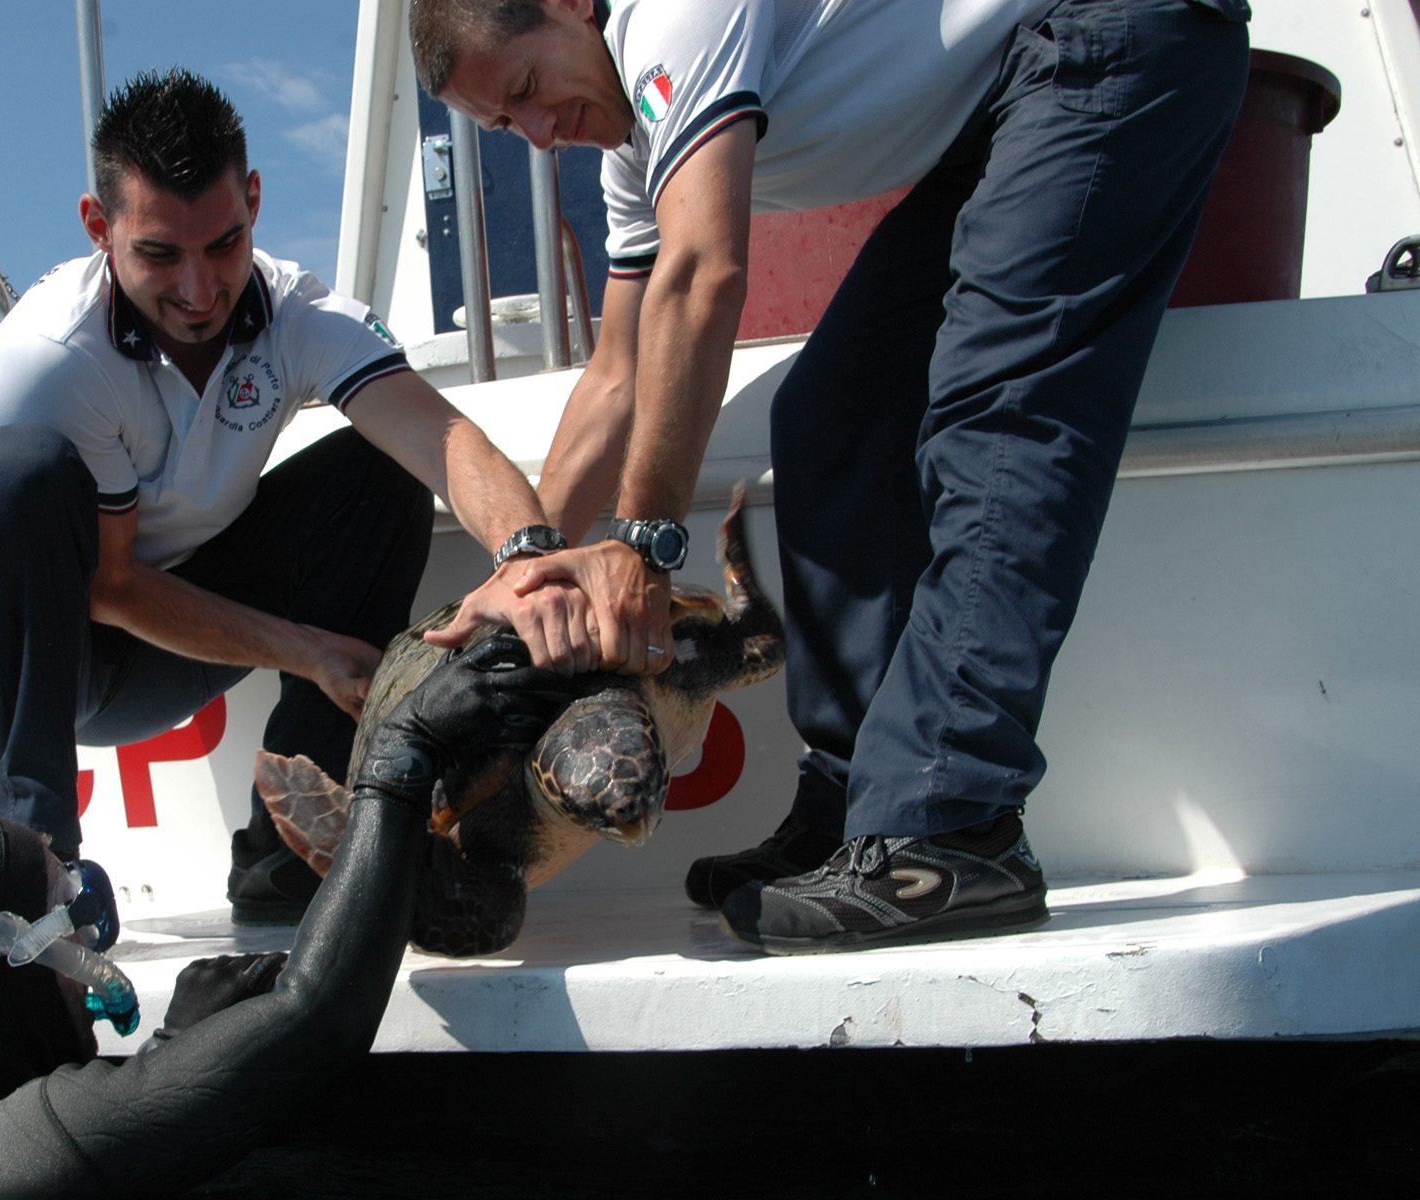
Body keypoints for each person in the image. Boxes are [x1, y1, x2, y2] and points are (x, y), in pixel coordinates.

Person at [410, 0, 1251, 951]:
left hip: (1110, 32)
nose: (536, 131)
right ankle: (856, 804)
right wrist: (524, 568)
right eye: (499, 125)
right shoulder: (633, 160)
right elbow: (616, 376)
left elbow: (705, 270)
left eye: (524, 87)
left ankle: (948, 823)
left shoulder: (668, 24)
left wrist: (643, 545)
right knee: (827, 417)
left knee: (997, 407)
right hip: (1006, 106)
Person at [0, 68, 632, 929]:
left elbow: (440, 437)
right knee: (22, 471)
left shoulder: (297, 311)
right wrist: (311, 648)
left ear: (257, 204)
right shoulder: (46, 352)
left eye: (223, 245)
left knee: (377, 473)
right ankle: (37, 872)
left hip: (141, 640)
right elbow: (109, 582)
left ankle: (289, 852)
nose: (199, 292)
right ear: (98, 226)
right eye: (160, 253)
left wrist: (531, 563)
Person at [0, 635, 576, 1200]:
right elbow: (319, 1014)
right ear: (11, 957)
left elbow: (109, 1129)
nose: (92, 947)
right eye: (78, 912)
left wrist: (175, 1052)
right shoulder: (30, 1148)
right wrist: (403, 759)